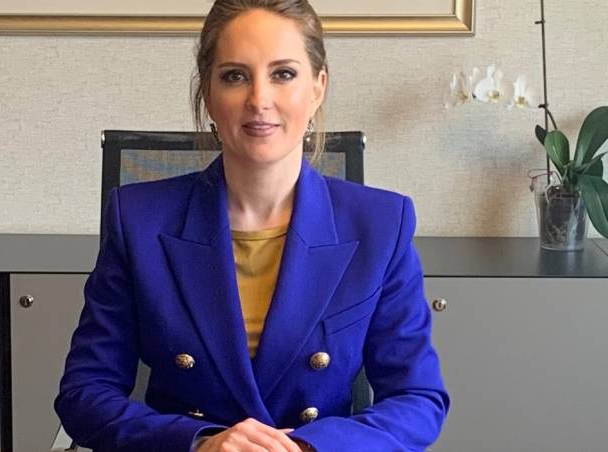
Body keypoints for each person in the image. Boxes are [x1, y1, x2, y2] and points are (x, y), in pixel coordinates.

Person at [54, 0, 450, 450]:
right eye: (234, 76)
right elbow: (85, 393)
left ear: (317, 87)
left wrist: (309, 446)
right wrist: (200, 442)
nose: (259, 99)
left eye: (283, 74)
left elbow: (417, 399)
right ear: (208, 94)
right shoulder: (139, 218)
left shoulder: (381, 224)